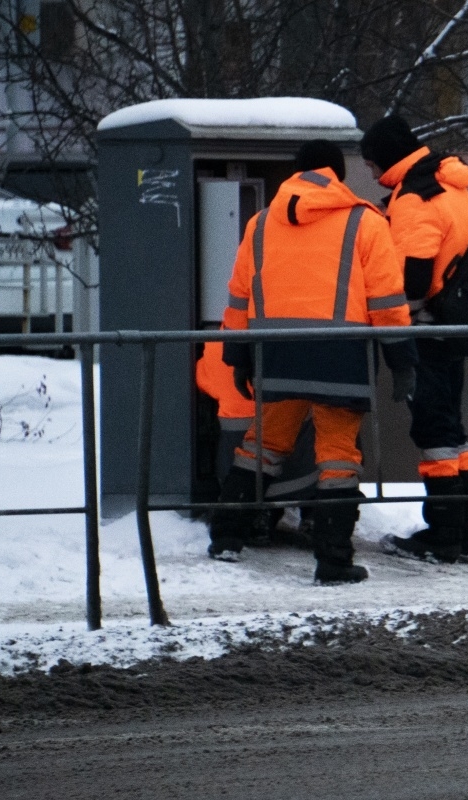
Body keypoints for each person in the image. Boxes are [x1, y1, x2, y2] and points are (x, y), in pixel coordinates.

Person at [208, 139, 418, 585]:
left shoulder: (261, 223)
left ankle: (226, 536)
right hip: (339, 355)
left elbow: (238, 295)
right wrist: (402, 360)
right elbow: (387, 302)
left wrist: (239, 356)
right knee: (338, 456)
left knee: (262, 443)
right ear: (337, 175)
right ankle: (333, 560)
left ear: (295, 173)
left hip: (277, 351)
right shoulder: (365, 222)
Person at [358, 115, 468, 565]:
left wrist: (396, 320)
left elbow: (411, 275)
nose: (372, 174)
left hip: (427, 326)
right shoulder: (451, 186)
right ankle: (465, 531)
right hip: (456, 322)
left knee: (433, 429)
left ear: (387, 158)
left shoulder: (413, 197)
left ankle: (444, 535)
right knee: (452, 430)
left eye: (373, 165)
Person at [195, 336, 317, 547]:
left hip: (241, 470)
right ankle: (316, 514)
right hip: (300, 469)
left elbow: (204, 383)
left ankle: (259, 516)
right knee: (331, 431)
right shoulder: (292, 342)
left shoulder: (216, 345)